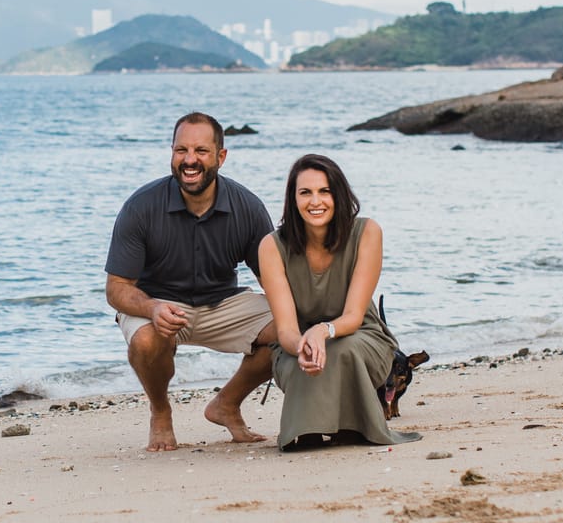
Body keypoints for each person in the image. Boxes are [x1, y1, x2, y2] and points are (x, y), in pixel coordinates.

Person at [106, 112, 276, 452]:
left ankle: (225, 404)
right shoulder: (140, 207)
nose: (189, 160)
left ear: (220, 157)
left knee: (290, 330)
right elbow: (117, 288)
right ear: (171, 153)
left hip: (223, 303)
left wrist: (319, 321)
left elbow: (274, 282)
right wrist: (152, 307)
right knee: (145, 342)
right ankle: (160, 411)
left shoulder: (248, 207)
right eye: (181, 150)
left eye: (200, 150)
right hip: (158, 304)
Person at [256, 153, 421, 451]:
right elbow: (286, 331)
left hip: (361, 335)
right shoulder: (271, 246)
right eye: (305, 192)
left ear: (339, 194)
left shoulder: (367, 232)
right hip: (300, 339)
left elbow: (354, 316)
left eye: (325, 191)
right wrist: (302, 347)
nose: (315, 201)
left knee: (343, 348)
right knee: (300, 364)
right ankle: (305, 431)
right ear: (292, 199)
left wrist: (321, 331)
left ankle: (353, 427)